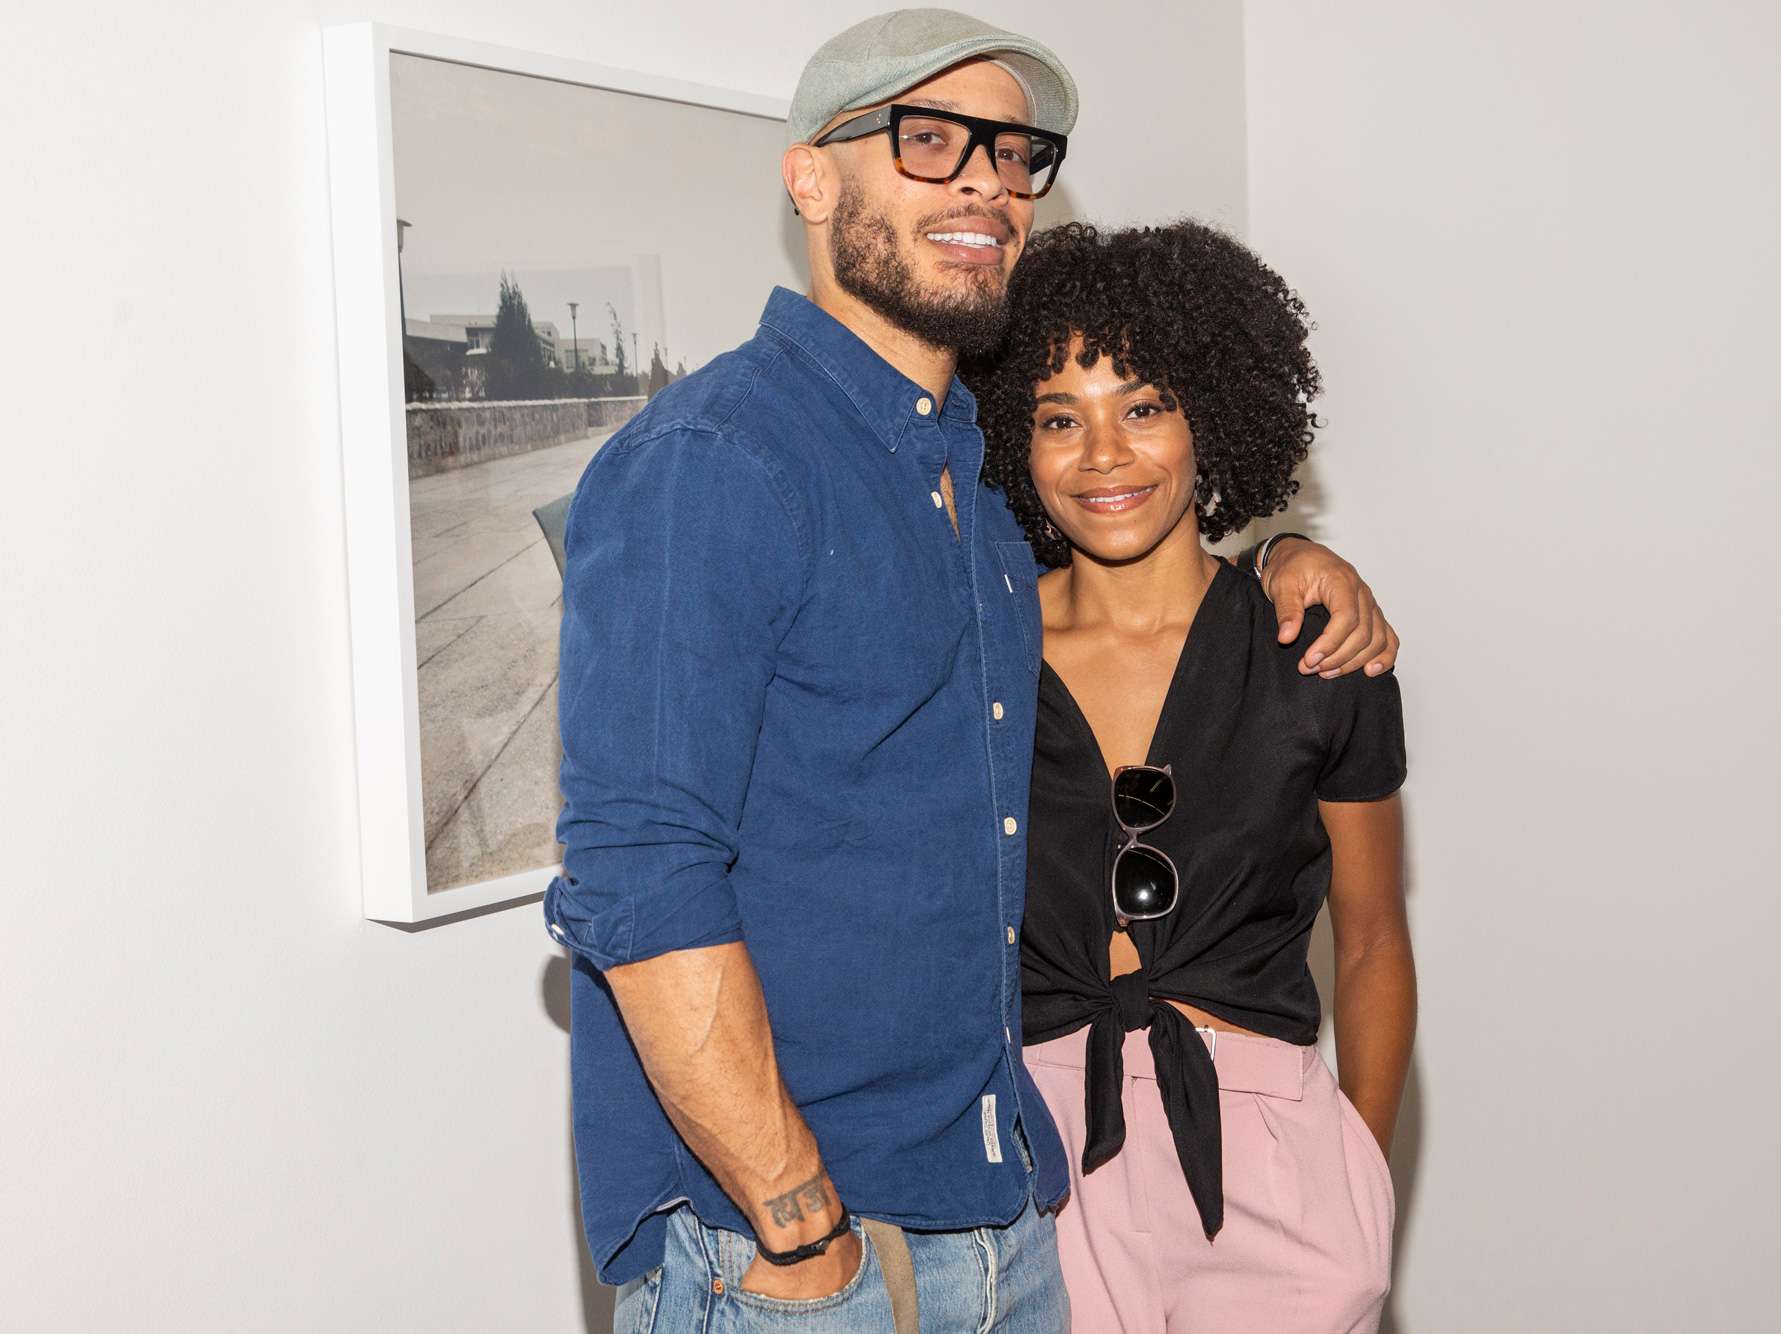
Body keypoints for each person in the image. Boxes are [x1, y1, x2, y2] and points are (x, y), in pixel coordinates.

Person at [545, 11, 1398, 1332]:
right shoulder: (720, 460)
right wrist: (800, 1222)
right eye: (930, 141)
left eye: (1012, 154)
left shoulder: (976, 502)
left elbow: (1136, 530)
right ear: (812, 180)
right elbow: (639, 871)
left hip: (1005, 1220)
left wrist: (1292, 550)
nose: (986, 183)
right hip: (805, 1252)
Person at [962, 220, 1415, 1334]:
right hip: (1044, 1160)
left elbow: (1368, 937)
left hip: (1272, 1161)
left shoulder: (1317, 650)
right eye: (1058, 416)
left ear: (1211, 413)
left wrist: (1354, 1178)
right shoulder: (975, 654)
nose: (1101, 454)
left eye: (1143, 406)